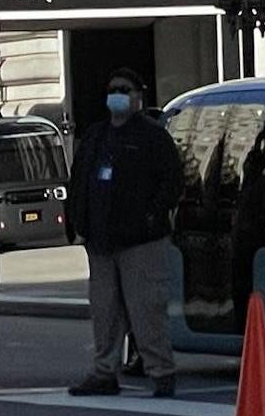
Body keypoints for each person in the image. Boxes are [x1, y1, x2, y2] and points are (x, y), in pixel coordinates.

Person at [67, 68, 184, 398]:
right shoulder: (96, 136)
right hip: (100, 240)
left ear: (138, 97)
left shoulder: (152, 137)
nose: (117, 94)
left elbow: (172, 181)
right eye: (113, 88)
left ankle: (160, 371)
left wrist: (151, 216)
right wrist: (78, 220)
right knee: (104, 312)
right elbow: (80, 180)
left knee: (147, 308)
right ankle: (104, 371)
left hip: (141, 241)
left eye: (124, 89)